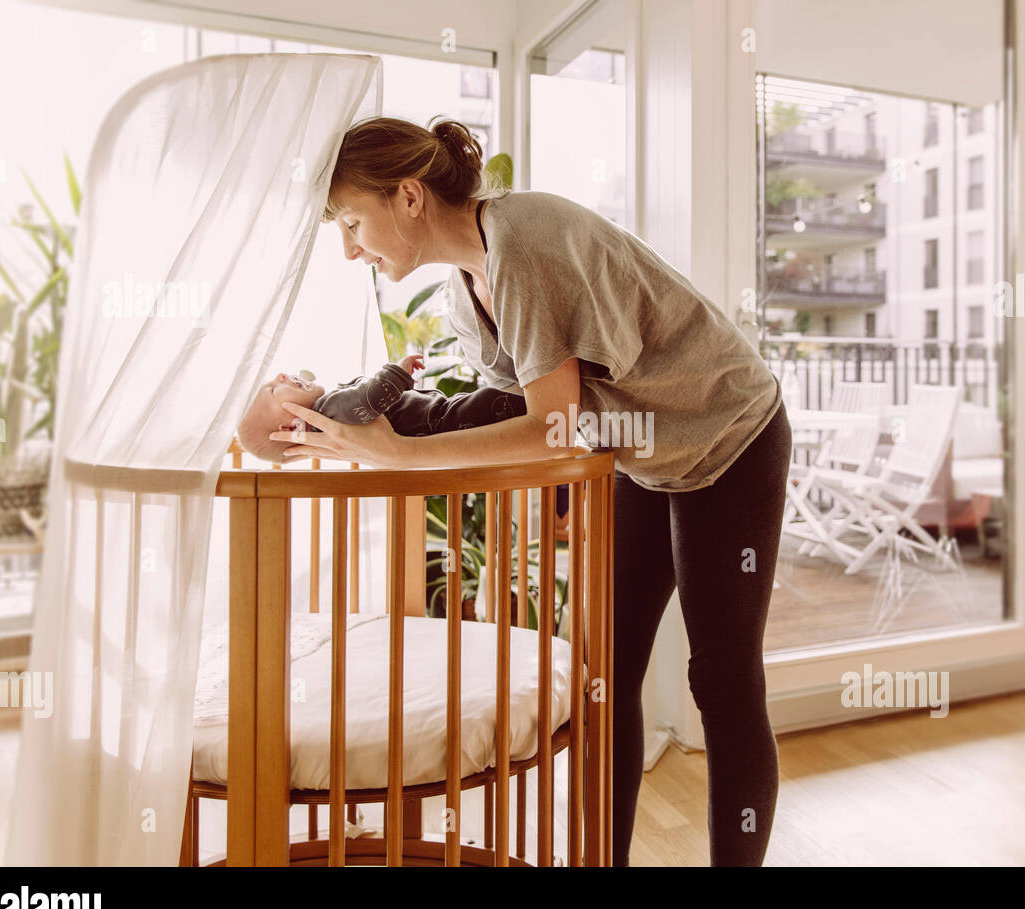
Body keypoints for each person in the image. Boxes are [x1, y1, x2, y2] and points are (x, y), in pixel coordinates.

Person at [269, 116, 792, 866]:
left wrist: (399, 457)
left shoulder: (523, 242)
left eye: (353, 222)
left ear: (408, 197)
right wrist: (349, 414)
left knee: (721, 676)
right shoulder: (466, 289)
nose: (351, 247)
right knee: (605, 676)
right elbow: (501, 409)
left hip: (729, 430)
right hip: (642, 449)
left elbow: (553, 427)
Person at [236, 356, 526, 463]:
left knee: (493, 403)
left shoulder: (336, 429)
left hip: (443, 422)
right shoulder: (331, 412)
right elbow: (369, 398)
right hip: (445, 421)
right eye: (273, 389)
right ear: (291, 430)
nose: (282, 376)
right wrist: (397, 373)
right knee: (497, 402)